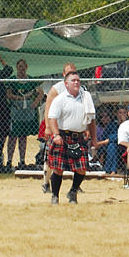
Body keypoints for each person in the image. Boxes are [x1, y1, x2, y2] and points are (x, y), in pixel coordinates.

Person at [47, 69, 99, 204]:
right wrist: (56, 135)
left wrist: (94, 138)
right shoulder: (60, 99)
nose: (76, 83)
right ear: (66, 84)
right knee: (58, 169)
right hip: (63, 136)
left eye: (78, 80)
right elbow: (52, 118)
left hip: (79, 137)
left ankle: (73, 191)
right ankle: (55, 196)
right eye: (73, 80)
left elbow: (91, 119)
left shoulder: (86, 97)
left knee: (82, 169)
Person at [41, 61, 77, 193]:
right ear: (63, 74)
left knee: (76, 157)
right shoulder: (57, 89)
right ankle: (46, 183)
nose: (72, 75)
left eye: (74, 72)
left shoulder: (79, 88)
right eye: (69, 72)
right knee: (52, 158)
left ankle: (76, 186)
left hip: (73, 129)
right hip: (57, 128)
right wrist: (48, 127)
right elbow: (48, 109)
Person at [6, 59, 43, 170]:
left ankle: (22, 160)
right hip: (16, 109)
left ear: (26, 67)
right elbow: (8, 94)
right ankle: (9, 160)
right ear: (17, 67)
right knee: (12, 136)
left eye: (23, 66)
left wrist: (35, 103)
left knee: (23, 136)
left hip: (27, 110)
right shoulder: (12, 80)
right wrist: (21, 98)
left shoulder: (31, 80)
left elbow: (40, 92)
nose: (21, 69)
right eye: (19, 66)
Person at [95, 108, 119, 174]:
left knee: (112, 145)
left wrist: (101, 143)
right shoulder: (99, 128)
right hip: (104, 147)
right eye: (102, 117)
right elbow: (101, 139)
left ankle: (108, 170)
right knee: (112, 145)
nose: (104, 119)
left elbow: (116, 137)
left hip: (117, 146)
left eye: (106, 116)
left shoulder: (115, 125)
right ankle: (111, 170)